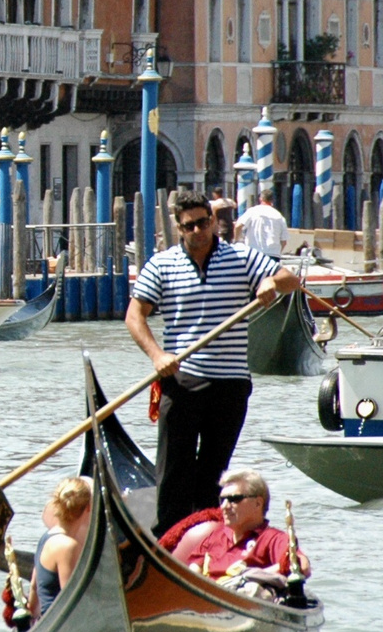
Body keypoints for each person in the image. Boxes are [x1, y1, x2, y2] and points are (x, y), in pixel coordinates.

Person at [128, 189, 299, 536]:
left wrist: (269, 281)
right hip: (183, 378)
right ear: (179, 228)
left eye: (203, 223)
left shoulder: (240, 257)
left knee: (213, 471)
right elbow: (135, 316)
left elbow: (291, 279)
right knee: (174, 468)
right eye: (189, 226)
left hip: (231, 383)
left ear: (212, 221)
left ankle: (204, 538)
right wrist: (157, 355)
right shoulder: (161, 265)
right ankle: (170, 538)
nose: (197, 231)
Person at [170, 469, 310, 581]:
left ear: (258, 503)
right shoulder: (215, 536)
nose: (224, 506)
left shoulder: (273, 538)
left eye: (234, 499)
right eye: (222, 500)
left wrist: (248, 577)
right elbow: (193, 570)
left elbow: (301, 566)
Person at [33, 477, 93, 616]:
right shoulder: (68, 546)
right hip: (60, 626)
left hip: (45, 618)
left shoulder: (46, 537)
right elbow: (71, 601)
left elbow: (33, 588)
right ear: (88, 508)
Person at [233, 189, 287, 258]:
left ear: (260, 199)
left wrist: (236, 242)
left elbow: (238, 226)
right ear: (272, 200)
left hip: (254, 253)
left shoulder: (252, 211)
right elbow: (284, 241)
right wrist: (277, 252)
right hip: (273, 255)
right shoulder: (279, 216)